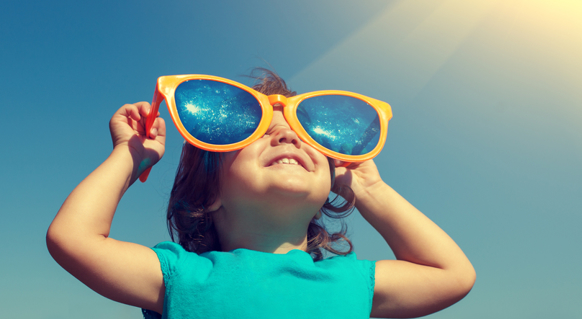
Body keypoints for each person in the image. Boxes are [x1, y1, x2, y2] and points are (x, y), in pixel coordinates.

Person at [47, 69, 475, 318]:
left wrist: (371, 189)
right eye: (261, 133)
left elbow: (452, 275)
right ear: (208, 192)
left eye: (306, 137)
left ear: (331, 183)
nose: (288, 137)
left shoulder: (350, 280)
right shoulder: (184, 276)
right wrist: (130, 153)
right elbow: (74, 240)